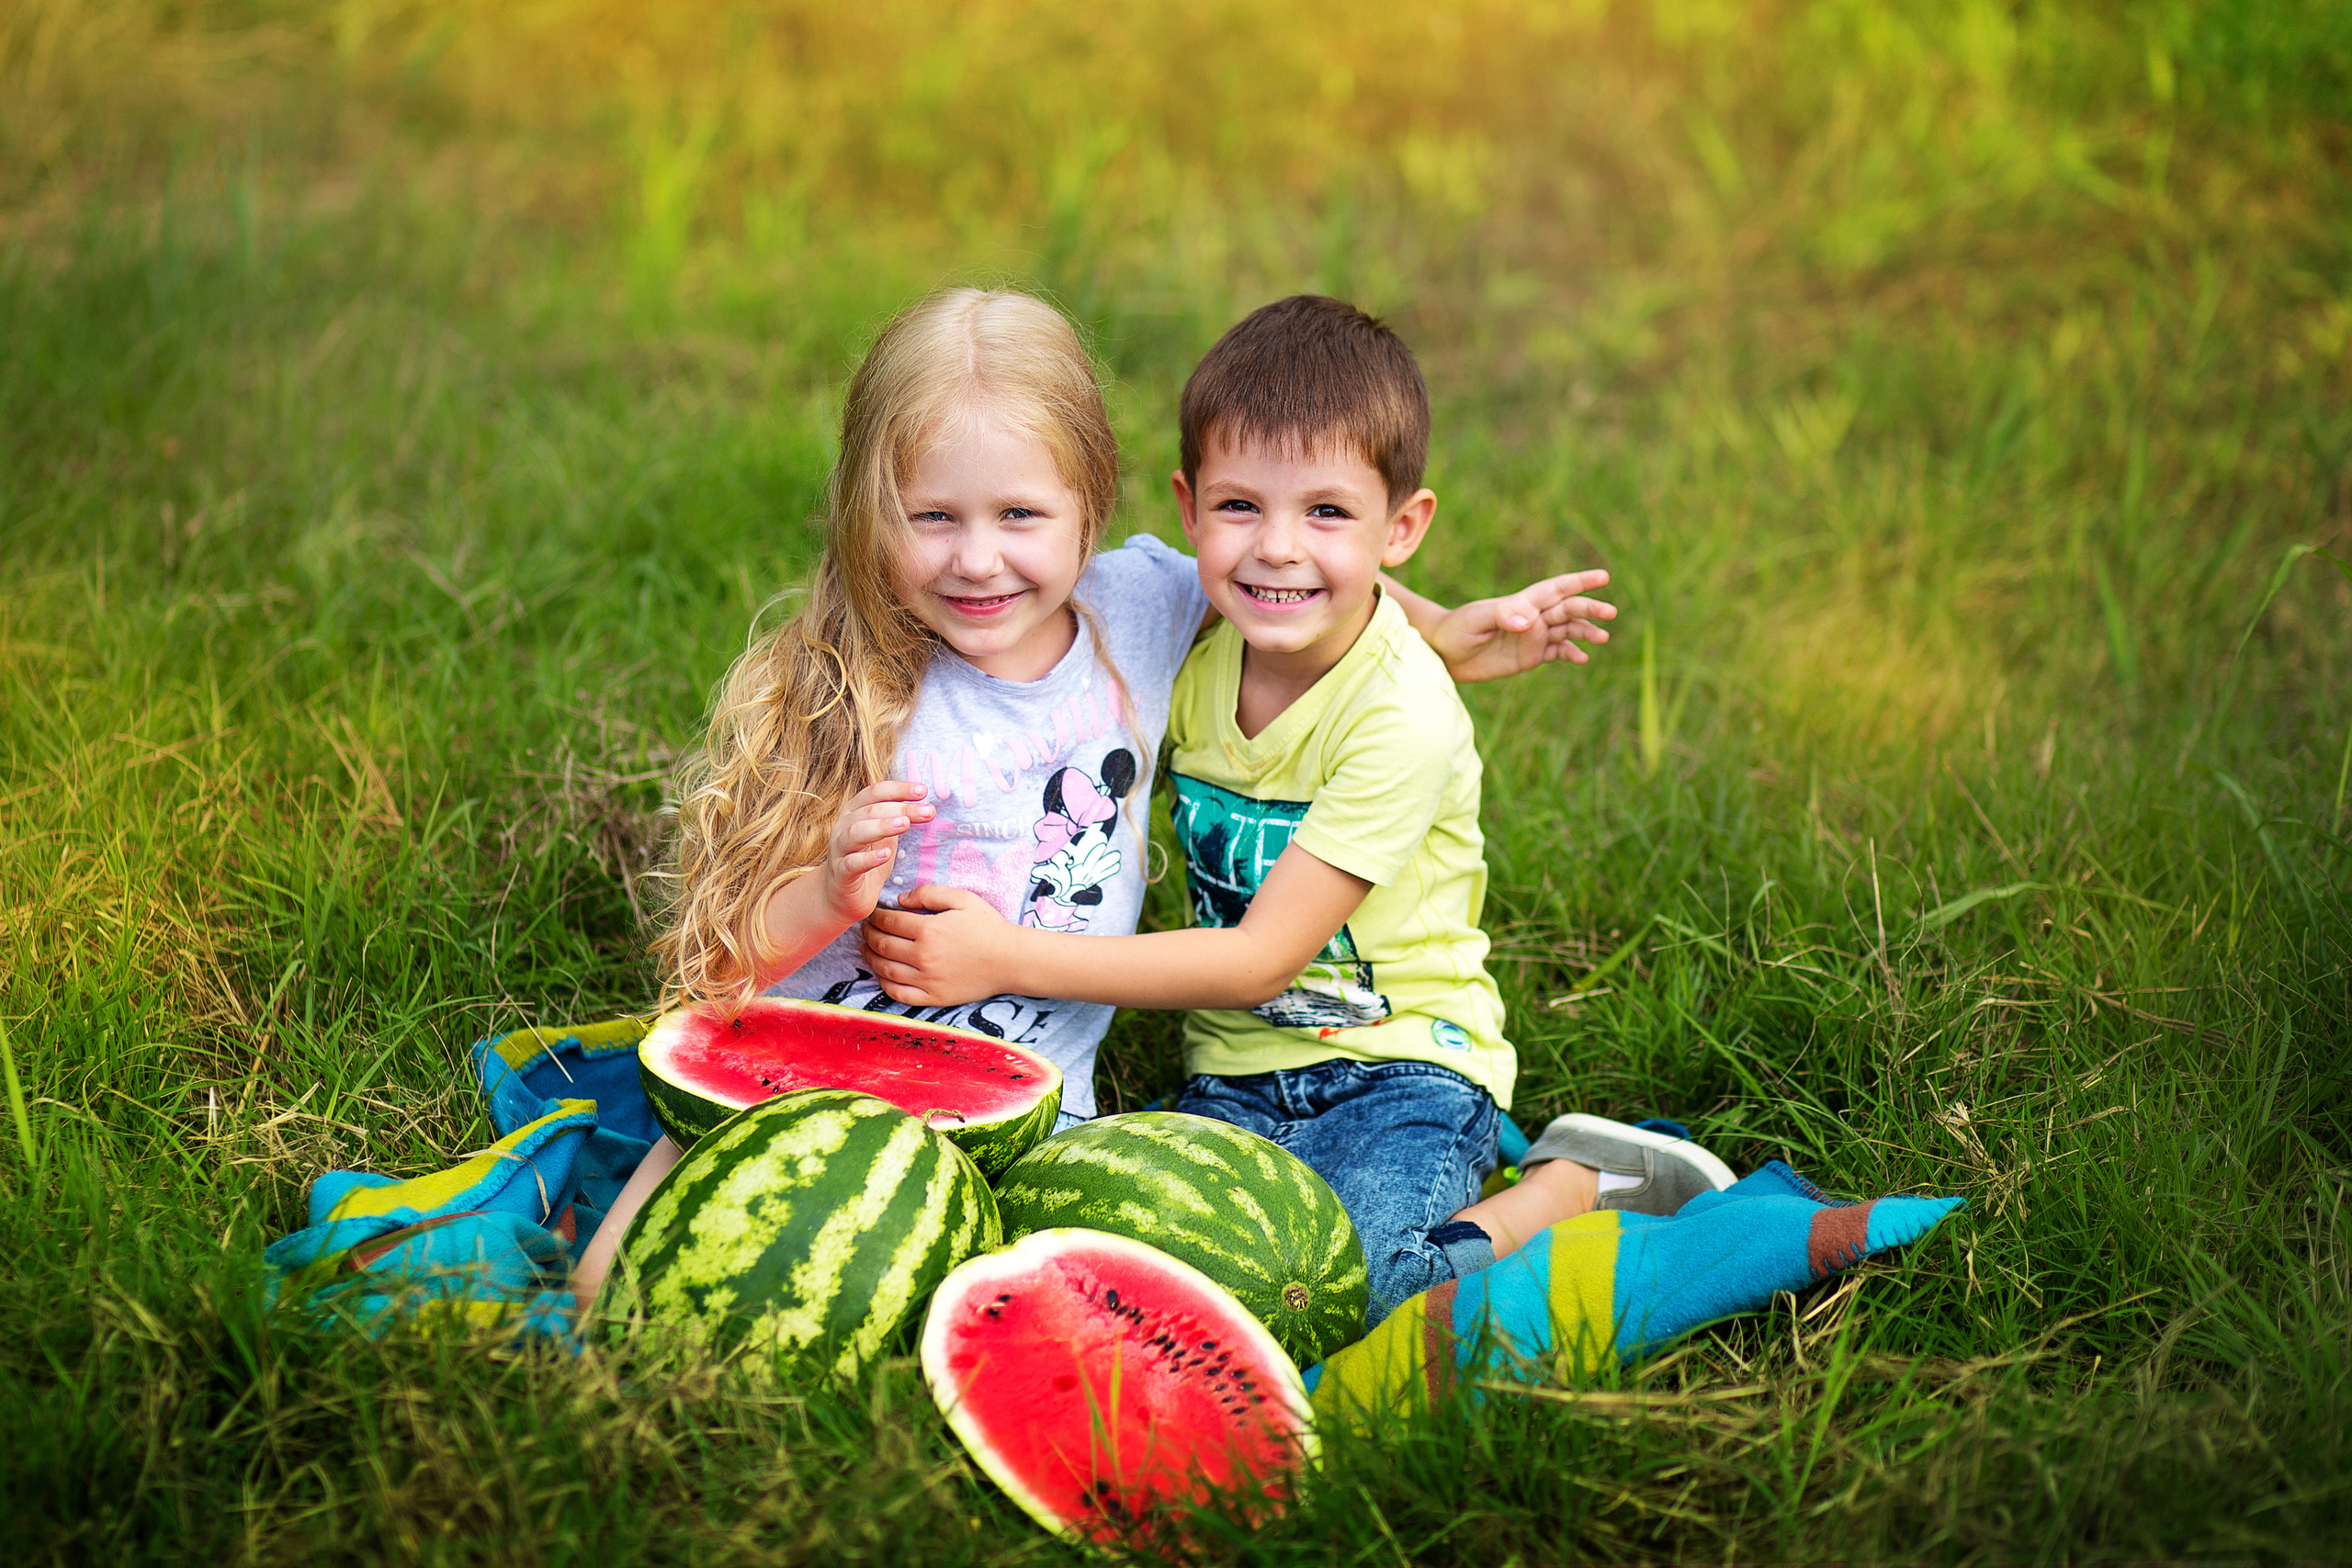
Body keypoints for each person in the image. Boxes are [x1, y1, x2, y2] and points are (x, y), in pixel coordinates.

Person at [571, 288, 1619, 1306]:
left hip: (1025, 1115)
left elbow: (1289, 570)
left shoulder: (1139, 610)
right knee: (602, 1295)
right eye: (933, 517)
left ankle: (1573, 1193)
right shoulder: (849, 683)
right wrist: (825, 897)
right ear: (868, 512)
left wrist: (1438, 631)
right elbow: (710, 970)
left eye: (1019, 514)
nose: (978, 558)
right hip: (816, 1071)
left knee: (1189, 1290)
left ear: (1093, 510)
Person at [861, 296, 1735, 1325]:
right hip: (1230, 1068)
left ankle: (1570, 1185)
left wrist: (1004, 959)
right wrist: (1447, 620)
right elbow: (1289, 589)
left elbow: (1257, 961)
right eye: (1241, 508)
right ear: (1189, 511)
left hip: (1402, 1069)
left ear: (1401, 528)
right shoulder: (1196, 634)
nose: (1275, 549)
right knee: (1150, 1289)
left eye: (1325, 513)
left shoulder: (1401, 719)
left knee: (1357, 1293)